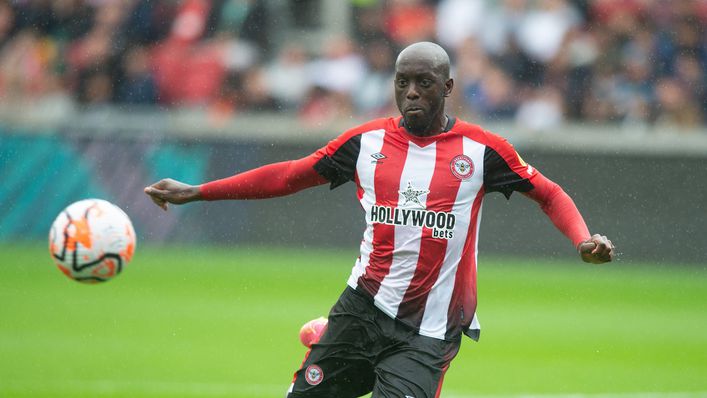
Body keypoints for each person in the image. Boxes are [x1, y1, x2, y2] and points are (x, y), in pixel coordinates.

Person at [144, 41, 614, 398]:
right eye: (402, 82)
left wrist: (581, 239)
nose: (411, 93)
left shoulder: (482, 150)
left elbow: (548, 193)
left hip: (429, 332)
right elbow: (288, 176)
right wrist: (200, 192)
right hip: (361, 310)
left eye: (424, 83)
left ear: (447, 88)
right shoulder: (364, 143)